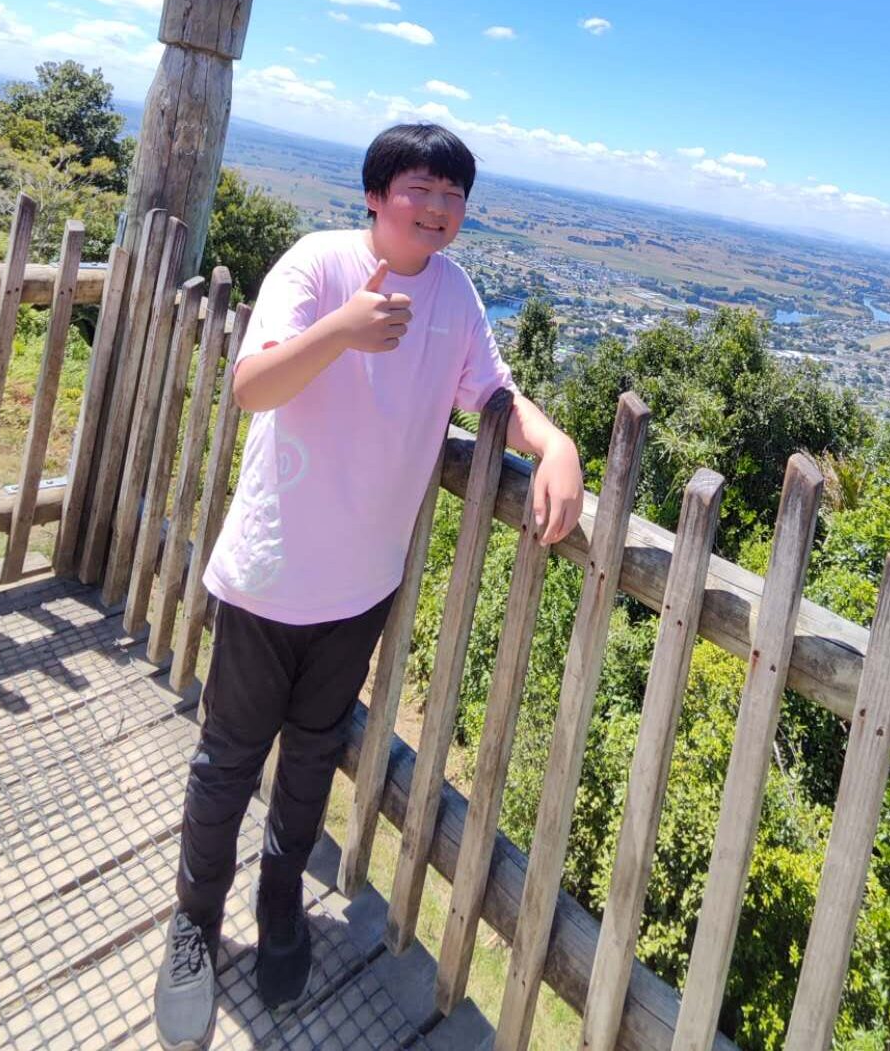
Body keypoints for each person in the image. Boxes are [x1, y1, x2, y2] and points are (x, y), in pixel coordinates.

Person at [153, 122, 583, 1050]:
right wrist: (343, 331)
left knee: (313, 755)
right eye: (420, 189)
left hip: (361, 586)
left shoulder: (455, 294)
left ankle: (280, 905)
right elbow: (252, 387)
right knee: (229, 758)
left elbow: (492, 394)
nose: (438, 209)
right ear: (376, 195)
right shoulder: (318, 265)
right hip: (271, 573)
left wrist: (555, 443)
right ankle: (193, 922)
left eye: (453, 196)